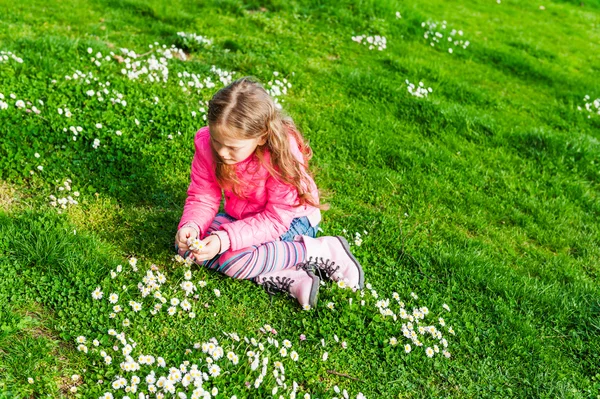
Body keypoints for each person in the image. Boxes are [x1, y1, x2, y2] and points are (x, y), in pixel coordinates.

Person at [174, 77, 364, 309]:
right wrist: (191, 227)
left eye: (233, 147)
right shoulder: (206, 146)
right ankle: (289, 275)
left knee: (234, 259)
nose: (222, 152)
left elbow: (275, 220)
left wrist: (225, 239)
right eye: (217, 141)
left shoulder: (279, 156)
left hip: (292, 221)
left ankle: (319, 250)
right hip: (245, 217)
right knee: (189, 248)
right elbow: (203, 196)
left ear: (262, 136)